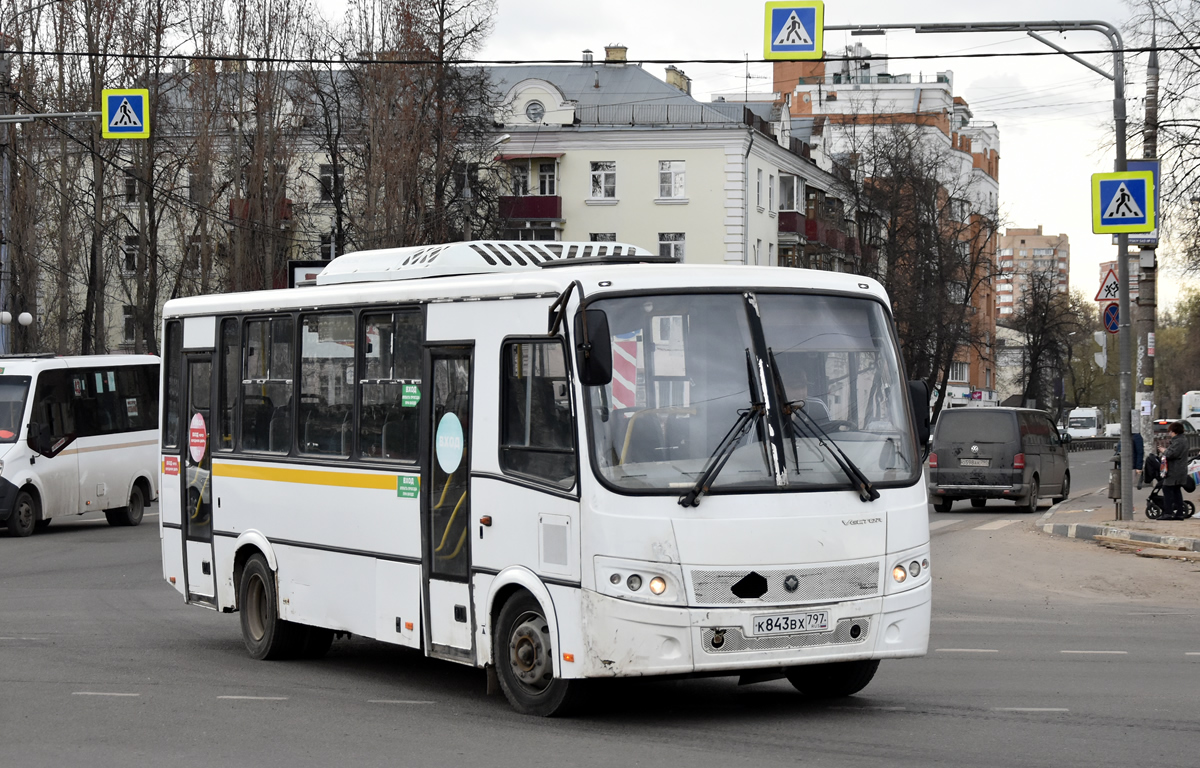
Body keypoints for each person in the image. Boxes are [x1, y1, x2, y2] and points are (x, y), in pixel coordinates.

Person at [1157, 421, 1189, 520]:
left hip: (1174, 470)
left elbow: (1172, 454)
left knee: (1167, 488)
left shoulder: (1178, 441)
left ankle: (1168, 512)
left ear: (1174, 431)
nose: (1169, 433)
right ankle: (1179, 513)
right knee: (1176, 491)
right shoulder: (1183, 440)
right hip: (1180, 469)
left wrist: (1163, 451)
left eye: (1170, 431)